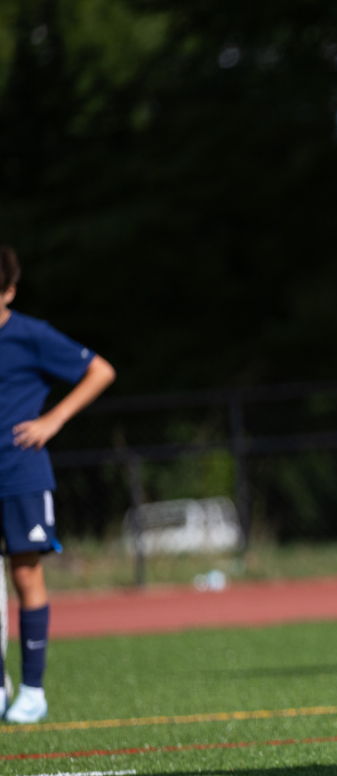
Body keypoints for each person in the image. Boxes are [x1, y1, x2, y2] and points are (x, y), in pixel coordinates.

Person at [0, 246, 116, 723]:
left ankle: (32, 690)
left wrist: (54, 419)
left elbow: (100, 370)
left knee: (25, 574)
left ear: (8, 290)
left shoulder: (30, 335)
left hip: (20, 473)